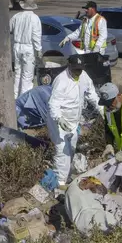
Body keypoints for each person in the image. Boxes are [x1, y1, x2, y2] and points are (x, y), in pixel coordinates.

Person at [47, 55, 101, 187]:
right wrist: (59, 118)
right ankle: (60, 183)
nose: (78, 72)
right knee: (61, 150)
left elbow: (91, 94)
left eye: (80, 69)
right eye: (76, 69)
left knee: (70, 148)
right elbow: (53, 104)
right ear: (69, 66)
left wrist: (102, 109)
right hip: (59, 121)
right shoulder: (61, 80)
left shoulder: (84, 76)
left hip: (74, 120)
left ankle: (65, 176)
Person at [10, 0, 42, 98]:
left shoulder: (16, 16)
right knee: (27, 77)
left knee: (17, 74)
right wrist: (38, 50)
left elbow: (9, 29)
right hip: (28, 48)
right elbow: (36, 36)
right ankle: (24, 100)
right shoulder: (34, 18)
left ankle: (15, 98)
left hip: (17, 46)